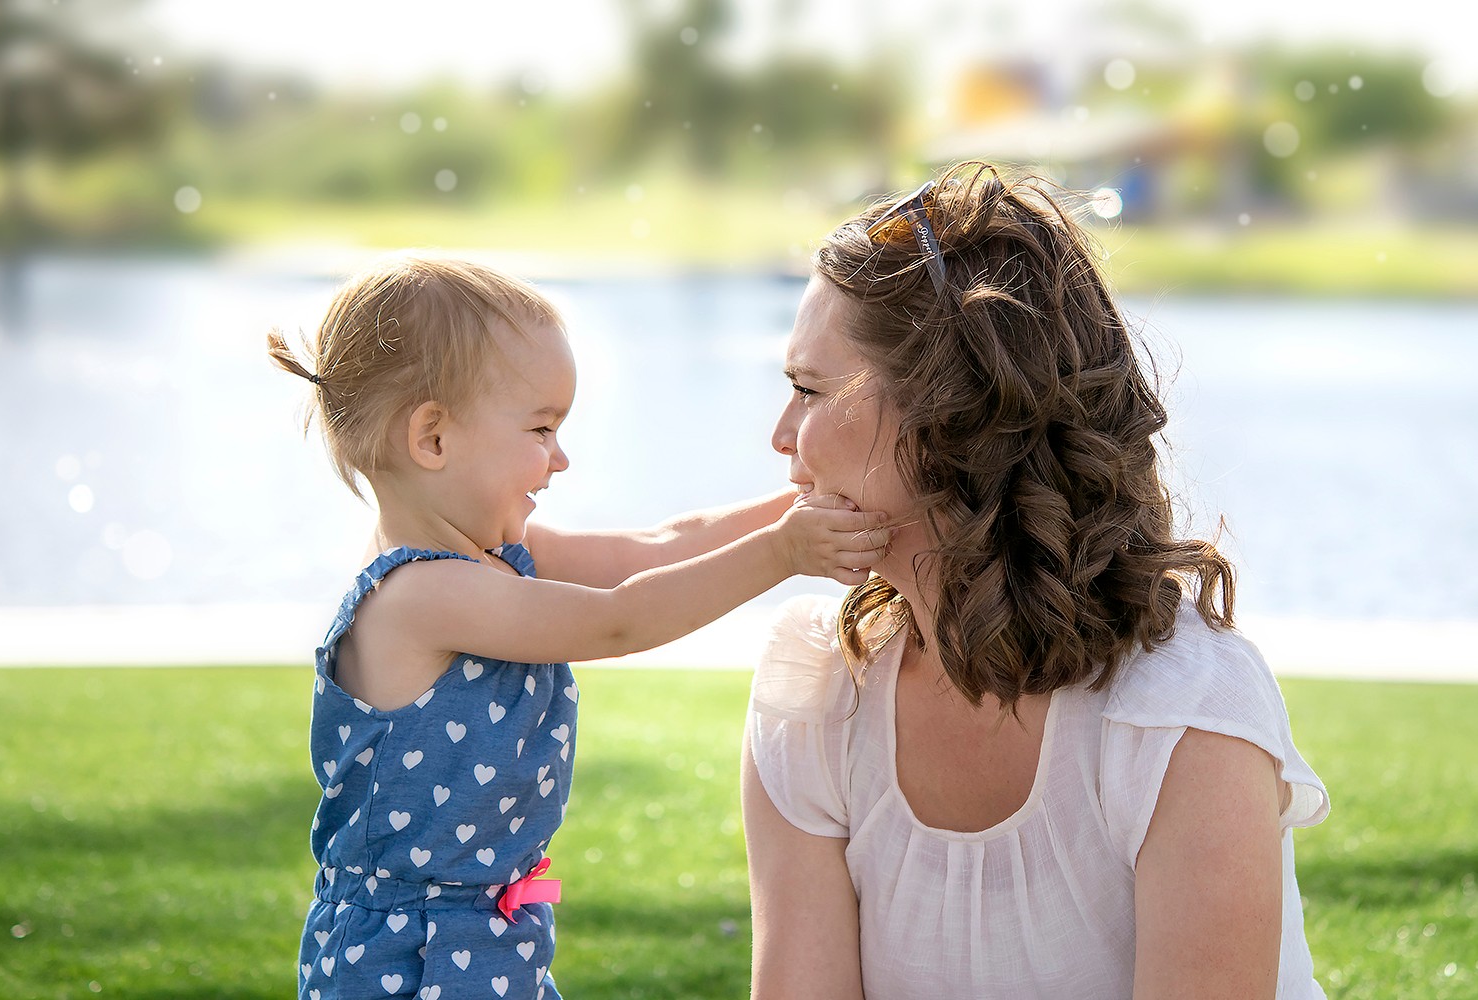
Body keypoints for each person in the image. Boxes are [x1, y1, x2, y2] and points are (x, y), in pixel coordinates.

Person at [741, 162, 1329, 999]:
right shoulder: (817, 690)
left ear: (951, 413)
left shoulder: (1179, 713)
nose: (780, 435)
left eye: (808, 389)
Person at [267, 252, 888, 1000]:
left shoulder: (497, 555)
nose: (560, 459)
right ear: (432, 439)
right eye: (540, 428)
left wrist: (799, 504)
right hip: (407, 957)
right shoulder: (421, 594)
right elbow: (615, 622)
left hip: (488, 935)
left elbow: (656, 546)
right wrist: (785, 552)